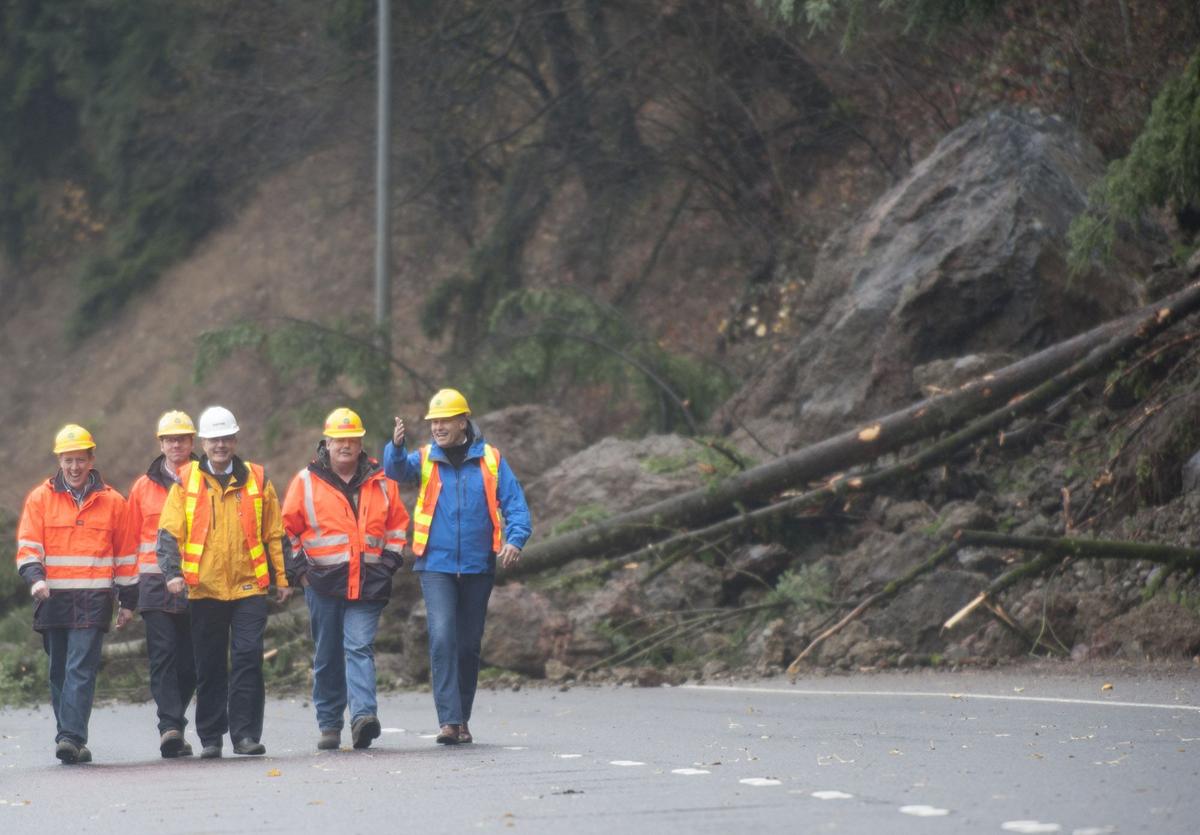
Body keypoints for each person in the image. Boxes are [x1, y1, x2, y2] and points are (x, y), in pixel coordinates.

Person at [384, 388, 531, 745]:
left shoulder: (492, 461)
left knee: (467, 645)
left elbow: (516, 505)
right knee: (443, 636)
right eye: (433, 421)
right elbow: (395, 471)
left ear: (463, 421)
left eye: (444, 420)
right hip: (435, 565)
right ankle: (448, 721)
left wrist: (515, 540)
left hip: (479, 565)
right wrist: (396, 447)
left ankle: (462, 718)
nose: (437, 427)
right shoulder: (425, 458)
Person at [156, 406, 291, 759]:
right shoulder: (186, 481)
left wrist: (283, 577)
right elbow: (169, 534)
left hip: (250, 587)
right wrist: (172, 574)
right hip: (204, 589)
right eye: (214, 439)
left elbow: (275, 533)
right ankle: (211, 737)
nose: (220, 445)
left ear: (235, 439)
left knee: (248, 658)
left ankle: (245, 735)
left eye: (226, 438)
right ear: (203, 442)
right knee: (210, 664)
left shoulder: (258, 479)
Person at [282, 407, 410, 751]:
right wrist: (301, 573)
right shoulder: (306, 482)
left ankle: (363, 718)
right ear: (327, 442)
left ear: (360, 443)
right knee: (327, 653)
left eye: (352, 439)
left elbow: (398, 525)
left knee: (359, 647)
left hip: (369, 581)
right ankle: (329, 723)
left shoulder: (382, 481)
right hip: (323, 583)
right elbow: (286, 531)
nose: (345, 446)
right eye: (339, 440)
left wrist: (389, 561)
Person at [15, 424, 138, 764]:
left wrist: (128, 601)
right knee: (58, 670)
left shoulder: (114, 502)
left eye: (80, 460)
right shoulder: (40, 499)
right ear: (59, 460)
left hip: (94, 599)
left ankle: (70, 736)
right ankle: (70, 735)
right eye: (68, 460)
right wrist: (35, 578)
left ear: (91, 459)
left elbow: (127, 555)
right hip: (51, 597)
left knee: (80, 669)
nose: (74, 467)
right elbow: (28, 547)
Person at [126, 410, 198, 758]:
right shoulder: (142, 487)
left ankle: (175, 719)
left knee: (191, 662)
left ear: (192, 442)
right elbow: (129, 539)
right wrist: (125, 589)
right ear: (161, 443)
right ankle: (169, 726)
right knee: (163, 656)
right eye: (171, 439)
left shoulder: (205, 480)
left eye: (182, 439)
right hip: (154, 584)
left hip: (197, 583)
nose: (177, 445)